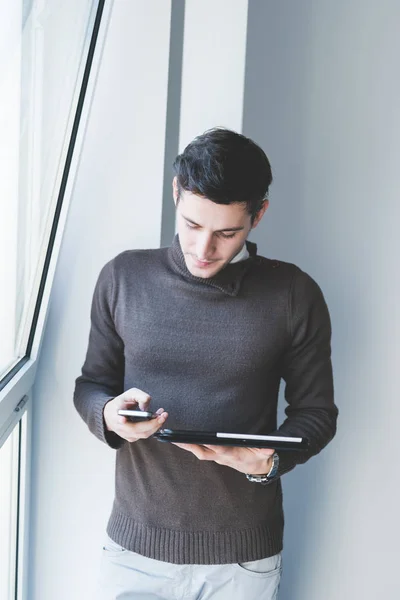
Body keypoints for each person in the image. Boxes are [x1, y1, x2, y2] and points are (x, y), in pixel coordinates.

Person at [74, 127, 337, 600]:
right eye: (193, 225)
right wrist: (110, 415)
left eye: (226, 232)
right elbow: (91, 383)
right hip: (134, 552)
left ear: (259, 215)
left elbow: (316, 415)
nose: (203, 249)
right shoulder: (123, 277)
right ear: (175, 193)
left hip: (241, 559)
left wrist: (268, 461)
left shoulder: (294, 294)